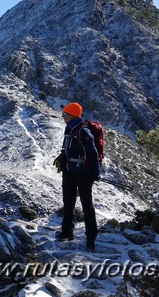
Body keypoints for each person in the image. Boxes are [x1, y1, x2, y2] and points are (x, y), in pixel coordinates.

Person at [53, 102, 100, 251]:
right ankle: (67, 232)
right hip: (69, 170)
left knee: (87, 205)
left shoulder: (83, 132)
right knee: (68, 202)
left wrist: (95, 172)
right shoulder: (69, 129)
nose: (62, 117)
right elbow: (66, 148)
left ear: (72, 115)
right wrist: (62, 157)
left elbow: (93, 153)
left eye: (64, 114)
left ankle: (91, 238)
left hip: (83, 173)